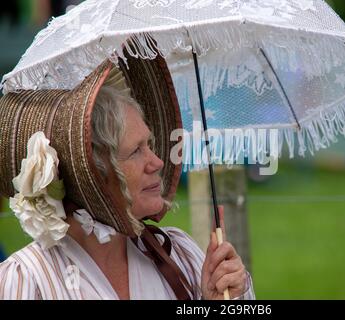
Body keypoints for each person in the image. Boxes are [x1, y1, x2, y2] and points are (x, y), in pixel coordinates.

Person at [0, 55, 255, 300]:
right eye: (135, 151)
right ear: (92, 173)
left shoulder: (178, 256)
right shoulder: (30, 281)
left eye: (150, 144)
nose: (157, 162)